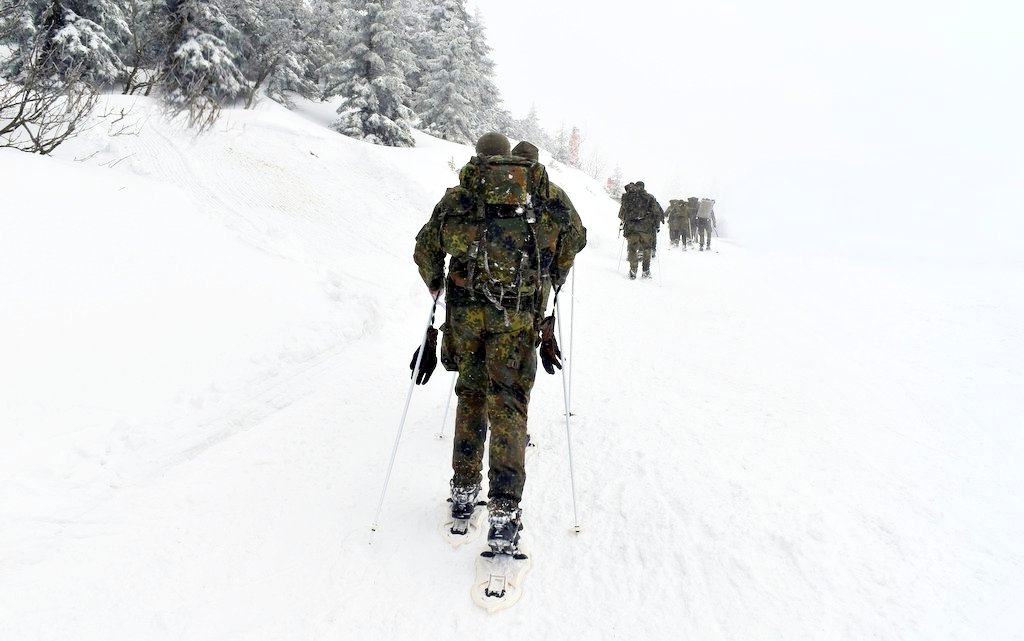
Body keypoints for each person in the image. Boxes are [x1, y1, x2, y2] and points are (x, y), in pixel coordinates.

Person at [413, 132, 586, 555]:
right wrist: (553, 277)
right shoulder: (545, 193)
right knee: (508, 403)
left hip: (466, 316)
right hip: (517, 315)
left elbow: (425, 249)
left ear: (480, 158)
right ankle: (505, 511)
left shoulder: (460, 196)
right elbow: (575, 238)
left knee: (470, 395)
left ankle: (463, 490)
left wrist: (437, 286)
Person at [618, 180, 663, 279]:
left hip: (631, 228)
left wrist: (625, 221)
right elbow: (656, 212)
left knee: (632, 249)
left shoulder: (629, 197)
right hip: (646, 228)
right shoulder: (649, 197)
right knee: (647, 249)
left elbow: (621, 213)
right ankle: (646, 271)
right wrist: (656, 225)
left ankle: (633, 270)